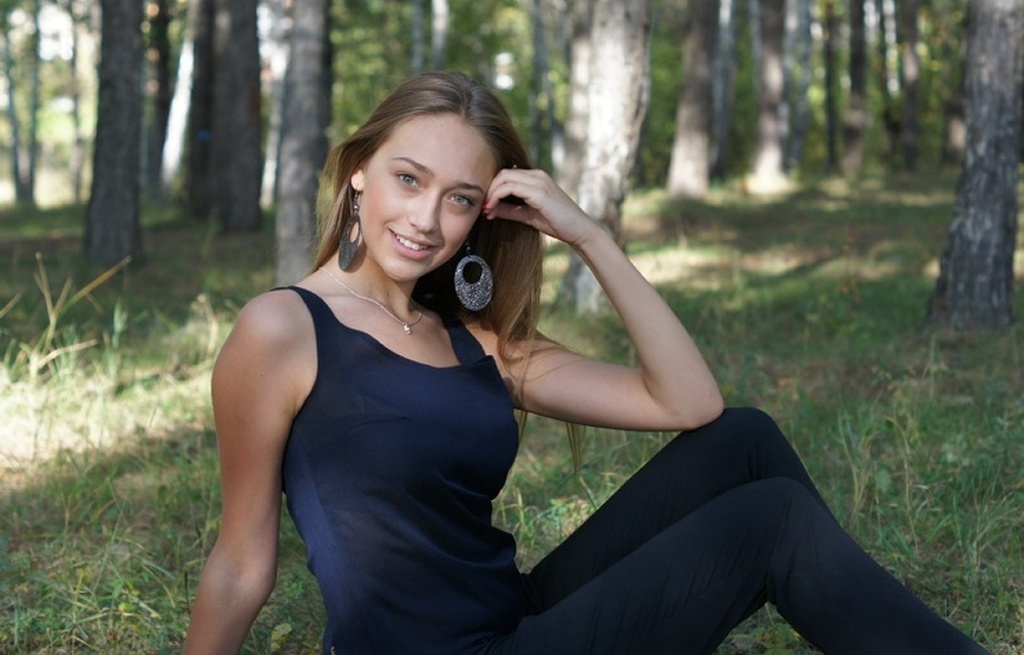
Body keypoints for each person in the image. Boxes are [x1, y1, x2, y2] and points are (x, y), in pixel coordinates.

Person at [183, 71, 986, 655]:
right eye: (407, 178)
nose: (427, 219)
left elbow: (687, 401)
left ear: (482, 213)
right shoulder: (284, 328)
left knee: (744, 440)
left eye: (460, 197)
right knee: (769, 522)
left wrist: (590, 235)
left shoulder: (475, 339)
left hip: (519, 620)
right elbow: (241, 563)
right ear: (358, 174)